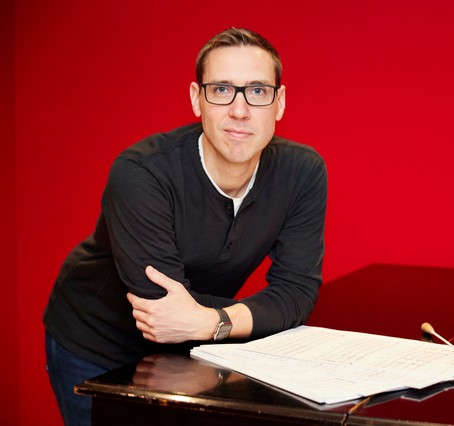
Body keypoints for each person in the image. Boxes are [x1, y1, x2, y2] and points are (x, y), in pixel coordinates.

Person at [43, 27, 327, 426]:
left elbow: (297, 292)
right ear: (196, 99)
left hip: (194, 348)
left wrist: (213, 322)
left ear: (279, 103)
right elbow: (162, 312)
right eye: (222, 90)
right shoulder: (141, 173)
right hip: (96, 345)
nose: (240, 110)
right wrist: (265, 312)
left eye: (258, 91)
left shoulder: (302, 172)